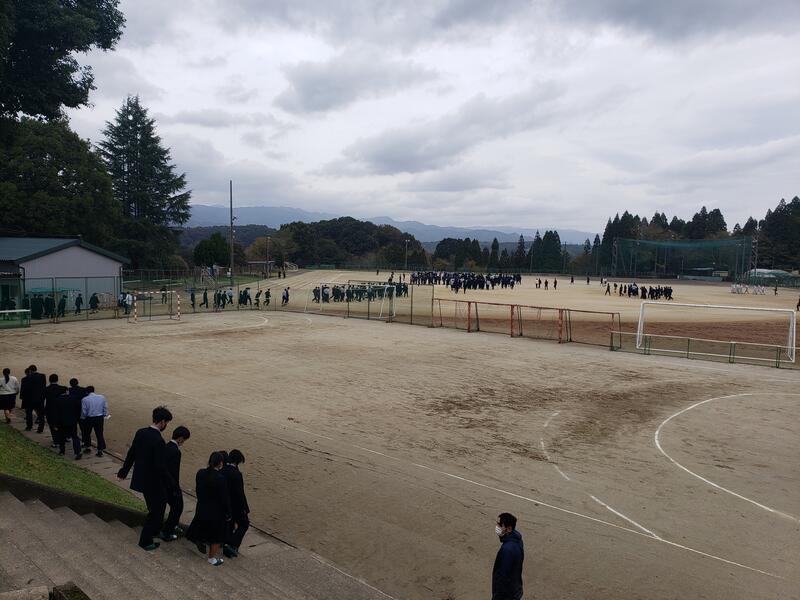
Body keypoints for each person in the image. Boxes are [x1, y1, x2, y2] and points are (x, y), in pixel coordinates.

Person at [117, 406, 173, 551]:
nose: (166, 425)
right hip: (152, 482)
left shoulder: (141, 432)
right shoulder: (158, 440)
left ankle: (152, 532)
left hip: (141, 478)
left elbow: (132, 453)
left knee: (156, 508)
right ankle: (145, 540)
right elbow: (160, 466)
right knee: (156, 511)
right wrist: (171, 483)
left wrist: (123, 471)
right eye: (166, 422)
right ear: (162, 422)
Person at [187, 451, 230, 566]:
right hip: (216, 510)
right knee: (217, 535)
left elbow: (198, 488)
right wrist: (228, 513)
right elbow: (224, 498)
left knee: (201, 524)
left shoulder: (201, 473)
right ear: (221, 463)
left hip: (202, 505)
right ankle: (211, 558)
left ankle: (198, 539)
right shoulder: (221, 479)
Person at [162, 426, 191, 541]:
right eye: (184, 440)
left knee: (174, 507)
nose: (183, 442)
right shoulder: (176, 451)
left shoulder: (166, 446)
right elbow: (174, 472)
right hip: (170, 485)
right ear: (180, 438)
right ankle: (167, 531)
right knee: (177, 508)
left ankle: (170, 527)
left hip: (164, 483)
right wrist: (175, 487)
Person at [222, 449, 250, 558]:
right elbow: (240, 493)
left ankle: (227, 543)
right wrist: (245, 507)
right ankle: (231, 544)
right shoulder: (236, 474)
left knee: (230, 523)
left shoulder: (223, 470)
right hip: (235, 505)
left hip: (225, 502)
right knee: (244, 524)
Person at [492, 512, 524, 600]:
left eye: (499, 525)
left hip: (507, 594)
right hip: (515, 588)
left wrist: (497, 597)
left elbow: (503, 576)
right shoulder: (517, 540)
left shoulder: (507, 550)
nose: (497, 526)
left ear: (508, 529)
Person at [54, 382, 83, 459]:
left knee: (62, 437)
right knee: (75, 437)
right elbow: (78, 409)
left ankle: (62, 451)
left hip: (62, 422)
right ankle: (78, 451)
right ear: (67, 391)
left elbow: (56, 413)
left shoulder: (57, 400)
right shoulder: (74, 398)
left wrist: (56, 424)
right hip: (72, 421)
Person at [80, 386, 108, 456]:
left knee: (87, 433)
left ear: (86, 392)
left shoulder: (85, 399)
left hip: (89, 418)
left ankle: (88, 447)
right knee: (99, 434)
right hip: (99, 418)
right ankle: (100, 450)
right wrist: (104, 415)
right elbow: (105, 407)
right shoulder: (101, 397)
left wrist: (83, 418)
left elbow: (84, 411)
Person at [44, 374, 67, 447]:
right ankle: (64, 437)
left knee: (52, 426)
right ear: (57, 380)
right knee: (62, 424)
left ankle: (56, 441)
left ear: (49, 380)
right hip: (61, 409)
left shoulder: (46, 389)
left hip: (50, 410)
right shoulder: (63, 388)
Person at [22, 365, 46, 432]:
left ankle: (29, 426)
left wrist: (22, 398)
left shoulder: (26, 378)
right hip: (40, 398)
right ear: (36, 369)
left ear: (29, 370)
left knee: (29, 413)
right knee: (41, 415)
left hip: (29, 399)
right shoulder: (42, 376)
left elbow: (24, 390)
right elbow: (43, 386)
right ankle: (40, 429)